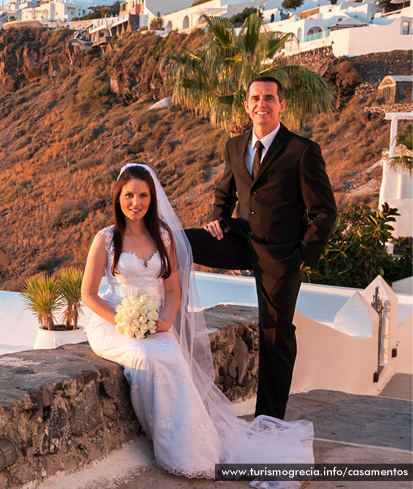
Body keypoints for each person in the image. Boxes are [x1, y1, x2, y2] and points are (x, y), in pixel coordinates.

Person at [81, 163, 313, 482]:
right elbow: (89, 295)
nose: (136, 202)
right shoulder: (105, 239)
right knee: (146, 357)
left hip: (154, 321)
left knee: (174, 358)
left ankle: (194, 449)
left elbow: (173, 289)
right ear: (118, 197)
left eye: (143, 195)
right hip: (112, 321)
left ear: (152, 198)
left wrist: (165, 320)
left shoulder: (163, 236)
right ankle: (165, 444)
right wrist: (122, 321)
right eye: (129, 195)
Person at [185, 76, 337, 420]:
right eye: (256, 98)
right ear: (246, 105)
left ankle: (269, 422)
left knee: (275, 336)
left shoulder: (302, 151)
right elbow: (225, 192)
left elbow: (325, 212)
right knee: (178, 241)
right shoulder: (234, 145)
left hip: (281, 257)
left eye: (269, 98)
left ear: (281, 105)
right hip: (241, 239)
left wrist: (302, 257)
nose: (262, 103)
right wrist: (217, 217)